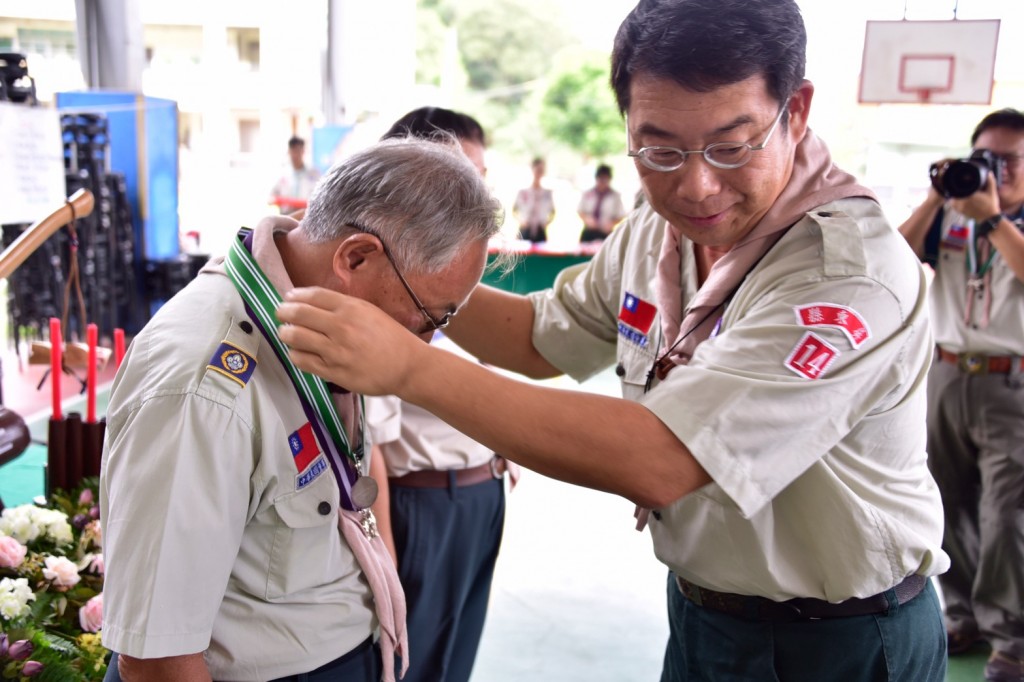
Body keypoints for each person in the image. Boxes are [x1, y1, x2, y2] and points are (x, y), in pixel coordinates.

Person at [276, 0, 950, 679]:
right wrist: (393, 274)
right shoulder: (659, 235)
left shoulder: (847, 273)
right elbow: (539, 339)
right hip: (704, 610)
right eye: (658, 149)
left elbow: (661, 459)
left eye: (731, 145)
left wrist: (408, 365)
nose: (695, 184)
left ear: (795, 112)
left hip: (843, 638)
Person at [99, 135, 503, 682]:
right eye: (429, 316)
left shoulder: (321, 318)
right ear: (355, 257)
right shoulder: (204, 387)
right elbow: (158, 656)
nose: (425, 342)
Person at [368, 105, 518, 682]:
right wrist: (384, 562)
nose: (473, 197)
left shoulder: (462, 270)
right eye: (457, 178)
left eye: (478, 179)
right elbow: (372, 446)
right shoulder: (389, 282)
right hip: (419, 504)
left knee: (456, 654)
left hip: (481, 491)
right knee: (408, 657)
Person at [898, 107, 1024, 682]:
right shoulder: (951, 214)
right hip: (946, 373)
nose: (994, 169)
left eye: (1008, 161)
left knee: (1005, 516)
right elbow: (895, 258)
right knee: (945, 502)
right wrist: (934, 197)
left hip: (1012, 379)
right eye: (984, 159)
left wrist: (994, 219)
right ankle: (963, 613)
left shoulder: (1000, 221)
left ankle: (1012, 639)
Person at [270, 135, 322, 211]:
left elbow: (320, 197)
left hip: (306, 217)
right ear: (288, 152)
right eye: (293, 151)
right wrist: (282, 201)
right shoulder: (281, 174)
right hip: (286, 216)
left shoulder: (314, 173)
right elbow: (270, 198)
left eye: (298, 151)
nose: (295, 155)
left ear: (303, 151)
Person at [578, 163, 627, 242]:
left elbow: (621, 214)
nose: (602, 182)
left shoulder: (615, 196)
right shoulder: (588, 193)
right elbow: (580, 210)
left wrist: (611, 223)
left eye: (605, 179)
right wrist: (587, 219)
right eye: (600, 179)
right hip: (589, 231)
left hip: (605, 232)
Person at [512, 157, 555, 243]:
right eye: (537, 169)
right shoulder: (523, 192)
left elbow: (553, 212)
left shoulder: (547, 193)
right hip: (525, 228)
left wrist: (546, 222)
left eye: (542, 170)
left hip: (540, 230)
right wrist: (521, 221)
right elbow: (514, 210)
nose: (539, 173)